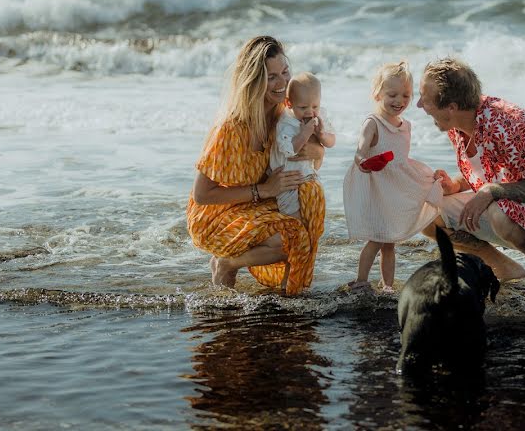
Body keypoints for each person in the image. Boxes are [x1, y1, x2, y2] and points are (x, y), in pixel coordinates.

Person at [416, 58, 525, 298]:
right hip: (517, 204)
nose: (418, 104)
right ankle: (505, 268)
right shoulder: (458, 124)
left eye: (423, 97)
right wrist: (455, 184)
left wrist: (491, 191)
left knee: (499, 211)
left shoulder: (510, 122)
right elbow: (491, 171)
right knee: (428, 214)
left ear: (452, 107)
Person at [186, 36, 326, 295]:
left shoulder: (282, 115)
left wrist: (315, 148)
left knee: (309, 207)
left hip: (256, 204)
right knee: (291, 238)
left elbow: (313, 161)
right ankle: (226, 263)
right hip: (218, 214)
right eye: (271, 77)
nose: (283, 83)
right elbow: (202, 195)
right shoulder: (230, 128)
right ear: (253, 80)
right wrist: (263, 190)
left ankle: (290, 293)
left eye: (285, 72)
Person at [343, 61, 443, 293]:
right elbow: (359, 152)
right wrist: (363, 162)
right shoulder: (373, 123)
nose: (399, 101)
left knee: (390, 242)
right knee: (376, 238)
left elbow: (402, 160)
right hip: (379, 189)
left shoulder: (405, 125)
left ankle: (387, 284)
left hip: (396, 189)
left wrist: (428, 177)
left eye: (406, 95)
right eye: (392, 94)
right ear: (377, 93)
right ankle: (361, 280)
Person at [270, 72, 336, 218]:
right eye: (303, 107)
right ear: (289, 103)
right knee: (294, 217)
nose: (310, 112)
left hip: (309, 175)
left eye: (315, 106)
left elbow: (332, 141)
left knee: (315, 210)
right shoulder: (285, 123)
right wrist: (304, 134)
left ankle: (313, 237)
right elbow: (289, 150)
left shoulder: (319, 116)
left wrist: (321, 135)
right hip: (289, 181)